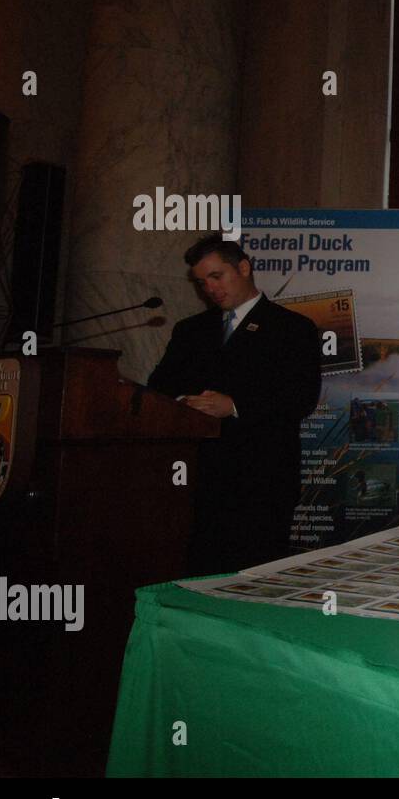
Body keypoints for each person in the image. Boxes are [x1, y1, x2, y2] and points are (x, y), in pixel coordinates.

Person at [148, 234, 321, 574]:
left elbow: (301, 397)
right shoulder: (191, 330)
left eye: (216, 276)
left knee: (254, 580)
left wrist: (235, 405)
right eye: (202, 283)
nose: (210, 289)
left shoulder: (292, 327)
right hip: (199, 479)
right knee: (199, 573)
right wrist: (186, 403)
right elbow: (159, 385)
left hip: (262, 479)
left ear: (243, 268)